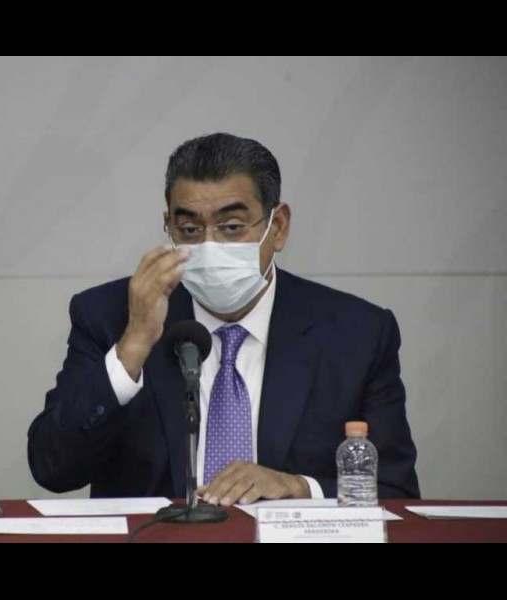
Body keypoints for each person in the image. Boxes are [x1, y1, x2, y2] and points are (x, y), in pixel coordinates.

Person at [27, 133, 420, 507]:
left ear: (277, 227)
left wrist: (298, 487)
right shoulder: (110, 315)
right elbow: (52, 469)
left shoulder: (356, 334)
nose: (209, 246)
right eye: (190, 230)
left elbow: (395, 490)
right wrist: (134, 344)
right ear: (169, 227)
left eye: (231, 228)